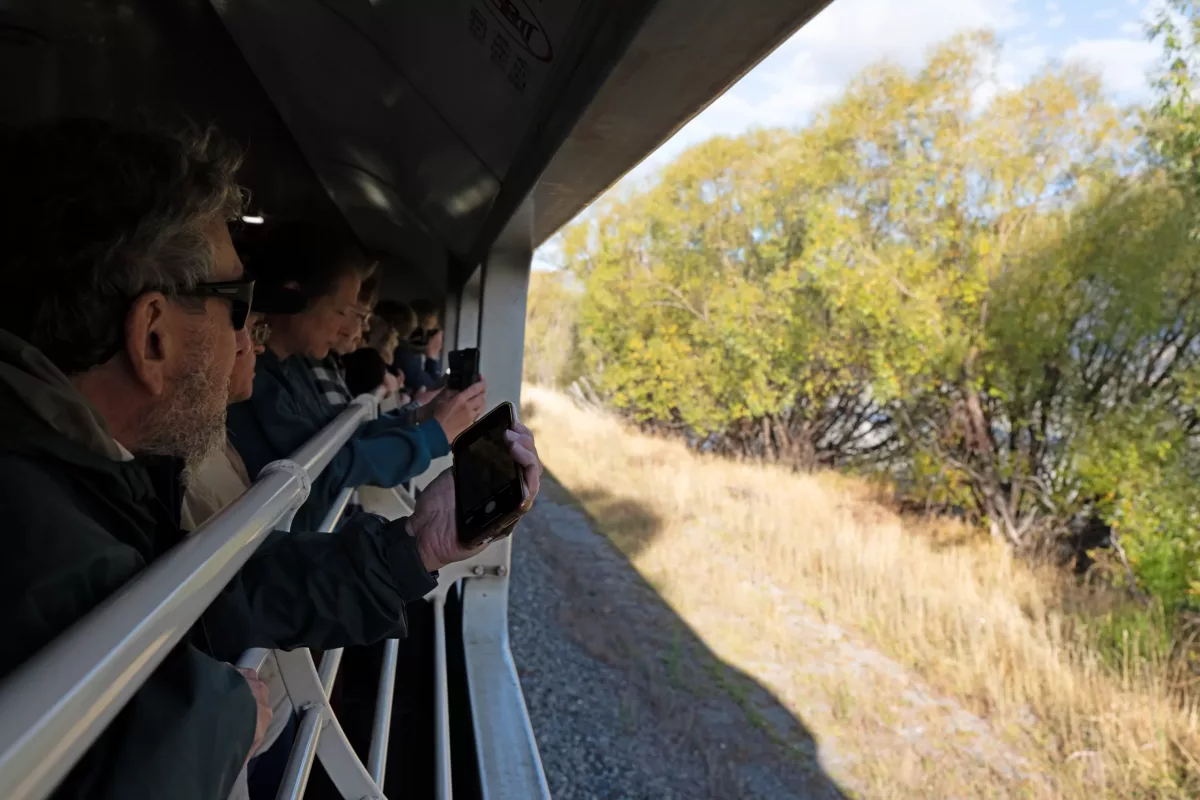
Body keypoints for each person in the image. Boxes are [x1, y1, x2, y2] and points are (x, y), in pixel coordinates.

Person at [0, 118, 544, 800]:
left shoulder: (88, 475)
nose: (246, 338)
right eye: (235, 306)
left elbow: (211, 591)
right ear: (154, 337)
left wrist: (419, 544)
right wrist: (224, 720)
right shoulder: (32, 522)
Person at [227, 225, 487, 530]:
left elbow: (340, 440)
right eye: (342, 312)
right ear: (292, 296)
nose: (349, 329)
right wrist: (433, 436)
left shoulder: (294, 368)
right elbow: (327, 471)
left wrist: (420, 416)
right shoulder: (252, 381)